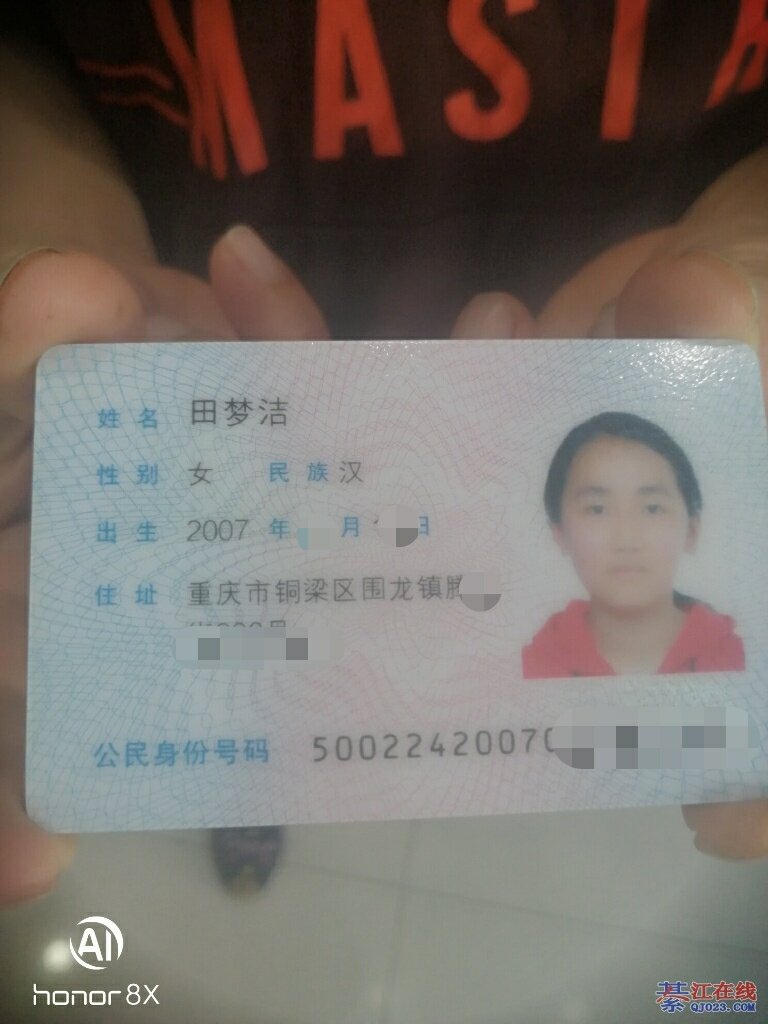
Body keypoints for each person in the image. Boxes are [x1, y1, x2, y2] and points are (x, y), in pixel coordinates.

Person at [1, 1, 768, 905]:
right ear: (567, 528)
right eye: (601, 511)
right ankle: (251, 783)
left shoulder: (679, 634)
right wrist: (54, 231)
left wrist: (744, 236)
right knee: (246, 670)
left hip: (601, 359)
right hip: (207, 379)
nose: (628, 535)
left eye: (650, 510)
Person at [522, 411, 745, 679]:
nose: (626, 540)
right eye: (597, 509)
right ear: (560, 534)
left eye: (652, 509)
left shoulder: (740, 660)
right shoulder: (529, 670)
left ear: (691, 531)